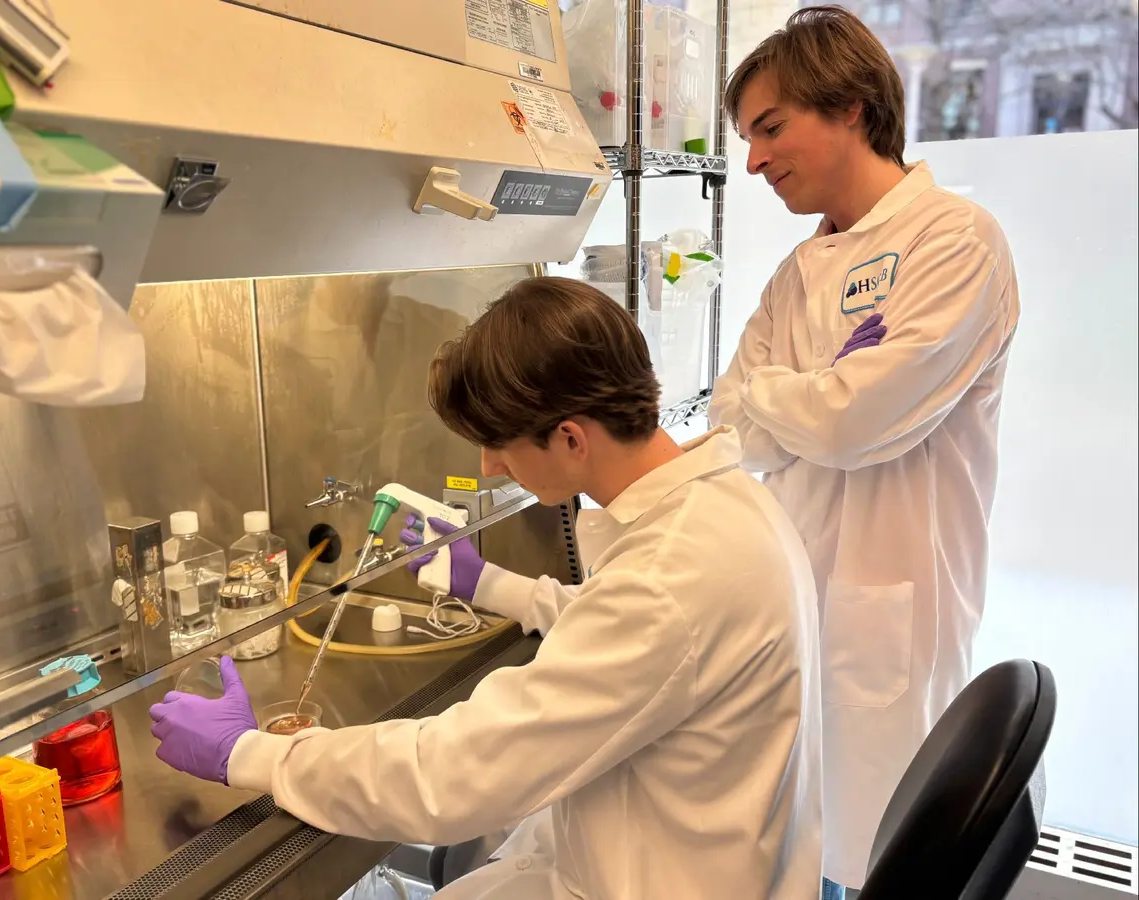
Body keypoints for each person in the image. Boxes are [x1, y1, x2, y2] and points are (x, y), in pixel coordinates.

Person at [150, 276, 824, 900]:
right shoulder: (723, 506)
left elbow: (452, 776)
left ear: (569, 438)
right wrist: (491, 582)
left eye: (498, 444)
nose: (488, 465)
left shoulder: (669, 580)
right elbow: (642, 641)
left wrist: (250, 753)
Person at [709, 7, 1021, 899]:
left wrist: (801, 399)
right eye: (747, 138)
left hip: (895, 606)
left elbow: (856, 423)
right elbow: (737, 428)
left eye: (772, 127)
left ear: (849, 106)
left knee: (883, 853)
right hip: (796, 590)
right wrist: (815, 394)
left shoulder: (957, 241)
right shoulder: (796, 271)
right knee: (799, 843)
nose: (755, 160)